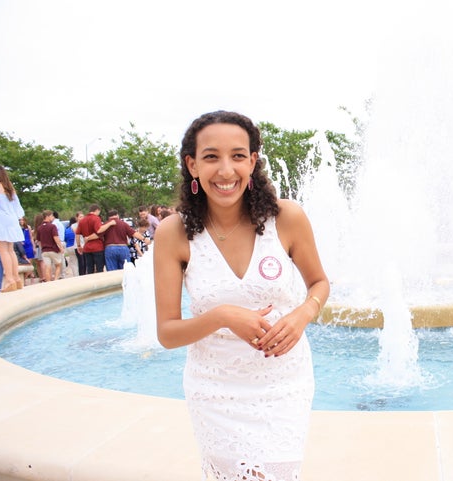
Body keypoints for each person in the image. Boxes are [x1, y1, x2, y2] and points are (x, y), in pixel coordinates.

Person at [154, 111, 329, 481]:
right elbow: (167, 333)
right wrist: (222, 316)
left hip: (285, 383)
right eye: (211, 156)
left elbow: (319, 284)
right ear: (192, 164)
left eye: (237, 156)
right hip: (215, 390)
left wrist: (302, 315)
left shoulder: (287, 218)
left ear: (252, 161)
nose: (226, 170)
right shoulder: (174, 232)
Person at [0, 164, 26, 292]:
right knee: (10, 250)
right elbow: (18, 208)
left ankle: (9, 280)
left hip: (1, 221)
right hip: (12, 221)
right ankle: (16, 279)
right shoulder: (10, 189)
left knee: (3, 251)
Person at [77, 204, 111, 274]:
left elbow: (77, 234)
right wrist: (109, 224)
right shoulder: (96, 218)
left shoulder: (82, 221)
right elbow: (98, 231)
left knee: (89, 268)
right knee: (99, 268)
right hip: (97, 247)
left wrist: (79, 245)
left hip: (87, 248)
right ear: (97, 210)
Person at [36, 210, 65, 281]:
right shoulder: (52, 226)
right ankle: (55, 279)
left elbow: (38, 241)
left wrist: (42, 247)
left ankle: (48, 282)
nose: (53, 217)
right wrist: (61, 247)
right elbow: (56, 238)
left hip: (44, 250)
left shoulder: (39, 228)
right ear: (47, 216)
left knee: (47, 267)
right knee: (58, 264)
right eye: (51, 216)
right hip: (53, 249)